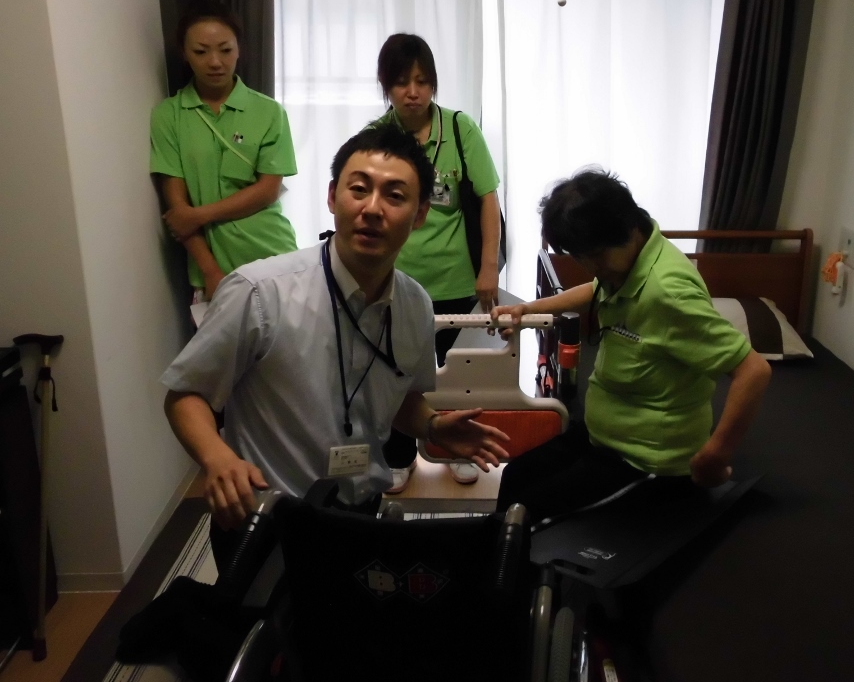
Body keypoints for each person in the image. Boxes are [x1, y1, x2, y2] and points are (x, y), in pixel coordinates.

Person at [161, 123, 510, 570]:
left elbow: (400, 398)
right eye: (359, 189)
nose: (372, 209)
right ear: (332, 197)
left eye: (395, 196)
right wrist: (217, 459)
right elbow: (185, 393)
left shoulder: (415, 305)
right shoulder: (260, 292)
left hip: (360, 515)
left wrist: (432, 426)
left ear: (421, 214)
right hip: (267, 517)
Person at [491, 168, 772, 523]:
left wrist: (716, 452)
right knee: (515, 476)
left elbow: (754, 370)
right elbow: (595, 288)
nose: (592, 267)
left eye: (597, 256)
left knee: (526, 514)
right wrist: (530, 309)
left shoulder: (668, 295)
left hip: (646, 461)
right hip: (604, 438)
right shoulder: (628, 260)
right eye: (581, 257)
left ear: (628, 227)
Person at [371, 33, 503, 490]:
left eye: (423, 81)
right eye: (401, 82)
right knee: (395, 370)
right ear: (386, 86)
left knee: (455, 374)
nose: (413, 92)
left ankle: (454, 448)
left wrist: (488, 267)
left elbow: (488, 199)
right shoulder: (377, 137)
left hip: (455, 279)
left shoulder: (460, 130)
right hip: (394, 280)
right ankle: (398, 455)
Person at [151, 0, 298, 302]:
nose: (215, 62)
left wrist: (199, 215)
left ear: (239, 49)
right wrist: (210, 271)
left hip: (274, 254)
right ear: (184, 53)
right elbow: (178, 212)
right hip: (212, 270)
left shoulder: (269, 112)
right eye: (201, 52)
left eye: (225, 50)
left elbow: (268, 190)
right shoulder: (168, 115)